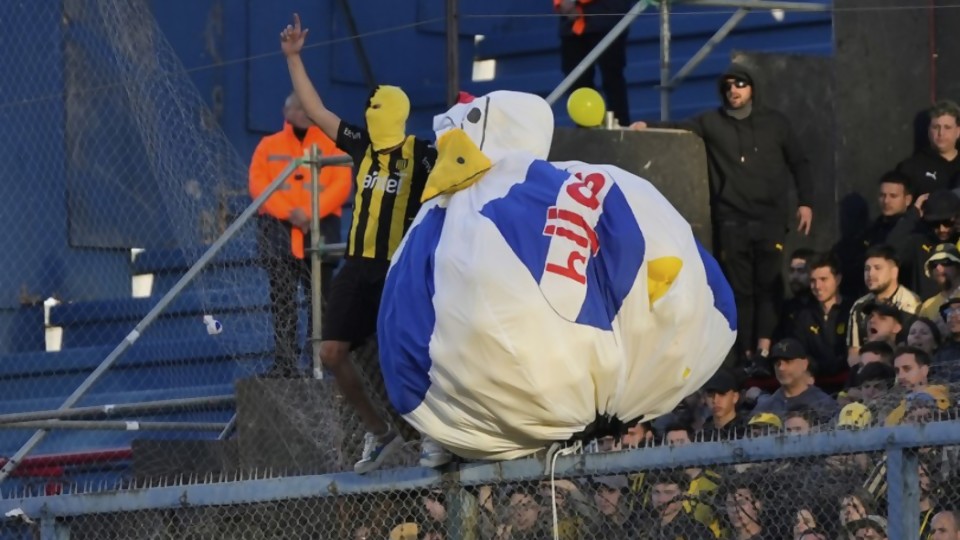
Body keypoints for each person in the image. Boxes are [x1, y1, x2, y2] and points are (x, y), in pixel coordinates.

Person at [280, 14, 446, 473]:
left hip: (397, 270)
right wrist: (294, 57)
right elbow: (316, 110)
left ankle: (439, 433)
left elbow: (464, 169)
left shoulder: (423, 153)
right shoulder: (361, 145)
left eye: (377, 108)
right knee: (331, 353)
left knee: (413, 354)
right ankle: (380, 435)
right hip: (356, 266)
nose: (368, 114)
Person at [631, 62, 813, 371]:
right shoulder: (712, 121)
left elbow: (799, 161)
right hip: (732, 220)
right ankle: (744, 355)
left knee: (768, 285)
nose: (734, 91)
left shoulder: (775, 123)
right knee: (739, 288)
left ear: (752, 87)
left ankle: (765, 349)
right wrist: (646, 125)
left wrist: (806, 202)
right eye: (728, 86)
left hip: (770, 218)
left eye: (740, 84)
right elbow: (680, 127)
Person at [248, 93, 351, 378]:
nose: (304, 113)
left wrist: (309, 213)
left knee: (321, 301)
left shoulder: (331, 144)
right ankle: (285, 363)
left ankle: (319, 363)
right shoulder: (268, 146)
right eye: (298, 108)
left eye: (308, 109)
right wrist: (290, 213)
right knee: (282, 302)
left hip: (320, 231)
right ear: (286, 111)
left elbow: (341, 185)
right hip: (278, 235)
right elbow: (258, 186)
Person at [554, 0, 631, 126]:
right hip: (571, 24)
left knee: (612, 79)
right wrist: (561, 3)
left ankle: (620, 131)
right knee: (576, 80)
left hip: (607, 15)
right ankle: (586, 130)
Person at [896, 100, 960, 196]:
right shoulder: (911, 167)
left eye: (947, 127)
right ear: (929, 130)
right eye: (936, 127)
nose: (941, 133)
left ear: (958, 131)